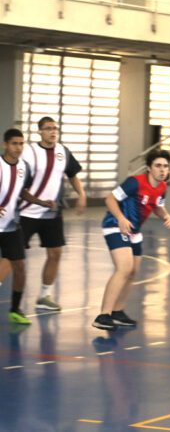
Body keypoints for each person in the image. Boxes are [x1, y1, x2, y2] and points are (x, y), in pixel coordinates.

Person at [93, 149, 170, 330]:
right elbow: (110, 199)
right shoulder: (135, 183)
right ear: (149, 168)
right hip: (115, 224)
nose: (162, 170)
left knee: (133, 271)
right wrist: (121, 218)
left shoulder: (162, 187)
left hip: (134, 231)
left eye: (165, 166)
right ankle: (103, 315)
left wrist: (166, 215)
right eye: (158, 166)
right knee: (124, 268)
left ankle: (118, 312)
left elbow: (157, 206)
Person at [19, 117, 86, 312]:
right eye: (48, 129)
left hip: (52, 213)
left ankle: (44, 296)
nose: (52, 131)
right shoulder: (29, 152)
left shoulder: (63, 152)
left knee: (55, 253)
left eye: (55, 128)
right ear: (40, 131)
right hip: (26, 212)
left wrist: (81, 194)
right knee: (11, 257)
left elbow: (72, 175)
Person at [1, 129, 56, 325]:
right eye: (14, 143)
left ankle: (15, 310)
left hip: (11, 226)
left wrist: (41, 202)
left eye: (21, 143)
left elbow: (21, 191)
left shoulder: (24, 167)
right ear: (5, 145)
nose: (18, 147)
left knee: (20, 267)